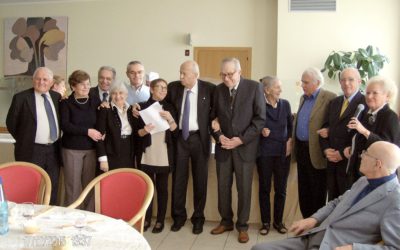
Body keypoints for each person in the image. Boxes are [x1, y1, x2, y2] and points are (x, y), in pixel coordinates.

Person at [251, 141, 400, 250]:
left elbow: (394, 247)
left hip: (334, 246)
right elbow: (336, 203)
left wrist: (354, 248)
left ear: (378, 164)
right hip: (315, 236)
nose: (361, 156)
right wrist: (313, 219)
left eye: (366, 153)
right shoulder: (363, 181)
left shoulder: (395, 199)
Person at [210, 58, 265, 243]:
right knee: (223, 188)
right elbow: (212, 119)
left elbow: (260, 120)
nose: (226, 78)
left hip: (245, 149)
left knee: (244, 189)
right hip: (223, 148)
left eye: (230, 74)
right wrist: (219, 136)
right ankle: (226, 221)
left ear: (239, 72)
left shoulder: (254, 87)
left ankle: (242, 226)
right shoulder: (218, 90)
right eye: (223, 75)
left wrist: (240, 140)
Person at [167, 60, 215, 234]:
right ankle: (178, 217)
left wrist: (216, 122)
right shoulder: (173, 88)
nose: (180, 76)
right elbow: (163, 104)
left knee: (200, 180)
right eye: (180, 72)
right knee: (179, 180)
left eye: (184, 73)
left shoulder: (209, 89)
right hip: (180, 138)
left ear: (196, 75)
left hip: (199, 139)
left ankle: (198, 218)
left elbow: (217, 110)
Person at [6, 67, 61, 205]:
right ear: (33, 80)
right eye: (38, 79)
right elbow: (11, 123)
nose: (41, 82)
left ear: (51, 82)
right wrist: (25, 139)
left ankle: (49, 215)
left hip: (53, 150)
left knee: (52, 186)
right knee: (30, 186)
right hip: (31, 150)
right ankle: (29, 218)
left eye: (45, 79)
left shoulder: (56, 97)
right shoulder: (21, 98)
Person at [133, 78, 177, 234]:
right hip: (147, 153)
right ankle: (147, 219)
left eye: (165, 88)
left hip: (164, 152)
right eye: (160, 88)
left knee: (162, 188)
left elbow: (175, 131)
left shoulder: (170, 107)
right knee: (148, 188)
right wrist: (144, 130)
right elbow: (137, 133)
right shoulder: (141, 107)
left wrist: (170, 119)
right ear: (151, 89)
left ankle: (160, 220)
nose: (164, 91)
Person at [292, 67, 336, 218]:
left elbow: (336, 123)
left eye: (306, 82)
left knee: (317, 192)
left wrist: (329, 130)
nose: (302, 85)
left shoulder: (330, 97)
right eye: (302, 82)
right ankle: (305, 224)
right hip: (302, 151)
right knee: (303, 191)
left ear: (317, 82)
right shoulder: (303, 98)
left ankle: (315, 226)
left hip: (317, 152)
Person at [318, 68, 365, 201]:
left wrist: (341, 153)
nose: (346, 83)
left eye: (351, 80)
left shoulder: (365, 103)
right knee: (332, 202)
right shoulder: (334, 102)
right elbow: (324, 128)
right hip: (332, 163)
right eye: (343, 80)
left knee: (347, 205)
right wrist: (326, 150)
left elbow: (362, 136)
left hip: (350, 164)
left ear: (359, 81)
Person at [60, 70, 103, 210]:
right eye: (82, 84)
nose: (86, 87)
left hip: (91, 149)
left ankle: (88, 214)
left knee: (89, 183)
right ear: (73, 86)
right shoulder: (66, 103)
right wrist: (87, 131)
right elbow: (66, 126)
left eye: (88, 84)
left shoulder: (95, 100)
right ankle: (73, 215)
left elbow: (102, 120)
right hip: (72, 149)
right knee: (73, 184)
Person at [345, 75, 400, 184]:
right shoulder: (366, 113)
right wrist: (352, 148)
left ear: (387, 96)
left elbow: (388, 148)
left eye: (375, 93)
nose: (369, 96)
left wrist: (364, 131)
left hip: (378, 176)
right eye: (368, 92)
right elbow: (362, 141)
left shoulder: (390, 116)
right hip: (360, 172)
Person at [256, 76, 292, 235]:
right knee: (264, 188)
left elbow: (290, 127)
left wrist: (290, 141)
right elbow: (252, 126)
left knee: (281, 189)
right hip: (264, 153)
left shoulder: (285, 104)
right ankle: (265, 223)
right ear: (267, 90)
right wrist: (260, 131)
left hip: (282, 153)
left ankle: (278, 222)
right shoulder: (259, 106)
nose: (280, 90)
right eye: (277, 87)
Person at [96, 82, 135, 171]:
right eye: (114, 93)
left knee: (126, 180)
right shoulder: (105, 109)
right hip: (111, 152)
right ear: (110, 95)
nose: (117, 96)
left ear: (126, 95)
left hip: (128, 151)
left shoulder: (131, 110)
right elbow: (99, 136)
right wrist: (103, 159)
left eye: (121, 93)